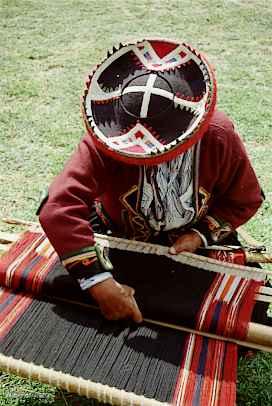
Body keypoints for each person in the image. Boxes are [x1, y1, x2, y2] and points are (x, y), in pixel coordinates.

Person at [38, 38, 263, 324]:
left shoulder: (218, 135)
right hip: (117, 235)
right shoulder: (108, 139)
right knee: (84, 307)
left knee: (235, 316)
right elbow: (57, 205)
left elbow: (244, 198)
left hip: (192, 235)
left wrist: (200, 236)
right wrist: (96, 281)